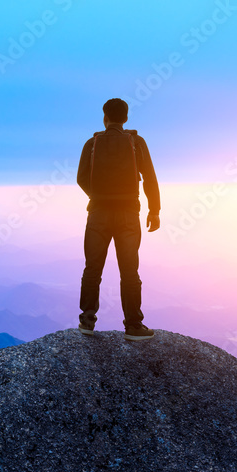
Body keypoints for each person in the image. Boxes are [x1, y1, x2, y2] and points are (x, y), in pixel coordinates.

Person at [76, 98, 160, 341]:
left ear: (105, 117)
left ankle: (87, 321)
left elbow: (81, 177)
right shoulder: (137, 142)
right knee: (130, 271)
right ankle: (133, 325)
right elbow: (151, 179)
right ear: (125, 118)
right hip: (128, 215)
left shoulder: (92, 143)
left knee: (92, 269)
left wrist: (99, 196)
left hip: (98, 214)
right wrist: (154, 211)